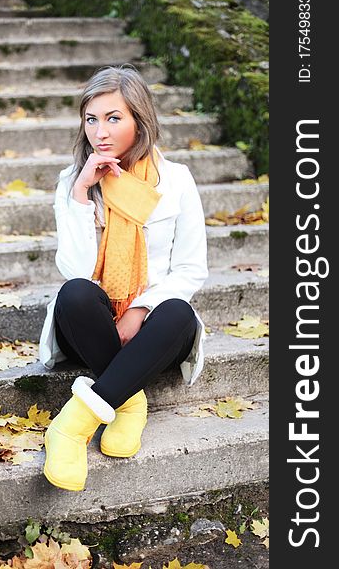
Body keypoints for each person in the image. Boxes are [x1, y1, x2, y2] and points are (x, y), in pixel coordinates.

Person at [39, 64, 208, 492]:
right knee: (74, 294)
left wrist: (137, 310)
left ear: (140, 120)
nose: (101, 131)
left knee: (178, 314)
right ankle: (129, 402)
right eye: (91, 119)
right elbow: (76, 271)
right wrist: (81, 195)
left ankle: (71, 426)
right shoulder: (73, 182)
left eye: (114, 118)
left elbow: (191, 269)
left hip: (152, 332)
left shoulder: (177, 181)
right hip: (91, 328)